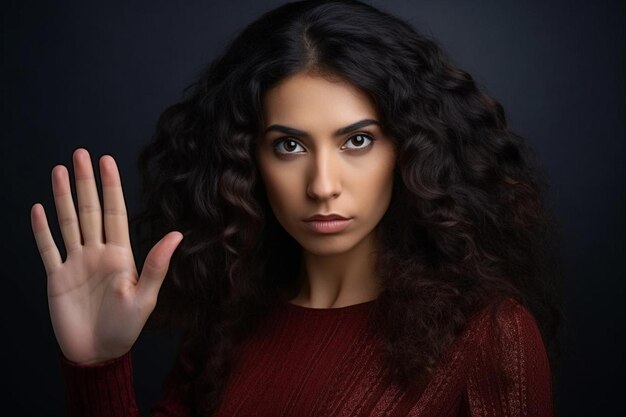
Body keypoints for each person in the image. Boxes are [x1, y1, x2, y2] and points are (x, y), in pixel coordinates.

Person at [30, 0, 563, 416]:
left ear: (410, 148)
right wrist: (98, 366)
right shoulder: (227, 325)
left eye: (357, 141)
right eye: (289, 146)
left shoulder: (490, 337)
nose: (322, 185)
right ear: (247, 160)